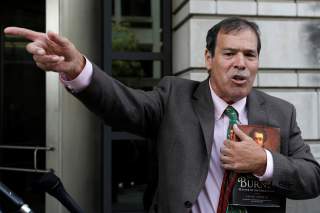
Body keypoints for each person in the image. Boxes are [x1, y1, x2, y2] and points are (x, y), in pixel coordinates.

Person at [4, 17, 320, 213]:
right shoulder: (175, 97)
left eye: (249, 55)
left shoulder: (280, 112)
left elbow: (311, 178)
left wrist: (263, 161)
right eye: (229, 53)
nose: (241, 63)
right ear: (208, 58)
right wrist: (78, 70)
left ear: (257, 63)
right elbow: (124, 105)